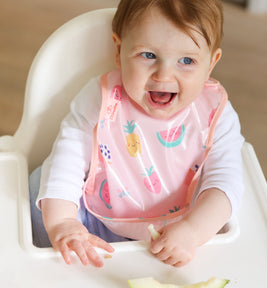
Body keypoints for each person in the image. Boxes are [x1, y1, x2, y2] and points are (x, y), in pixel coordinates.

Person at [30, 0, 244, 268]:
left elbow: (226, 183)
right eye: (148, 55)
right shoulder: (102, 100)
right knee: (39, 184)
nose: (164, 74)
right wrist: (63, 221)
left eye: (187, 60)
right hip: (93, 225)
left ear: (211, 63)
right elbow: (67, 158)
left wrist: (194, 231)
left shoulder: (215, 114)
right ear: (119, 50)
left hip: (179, 232)